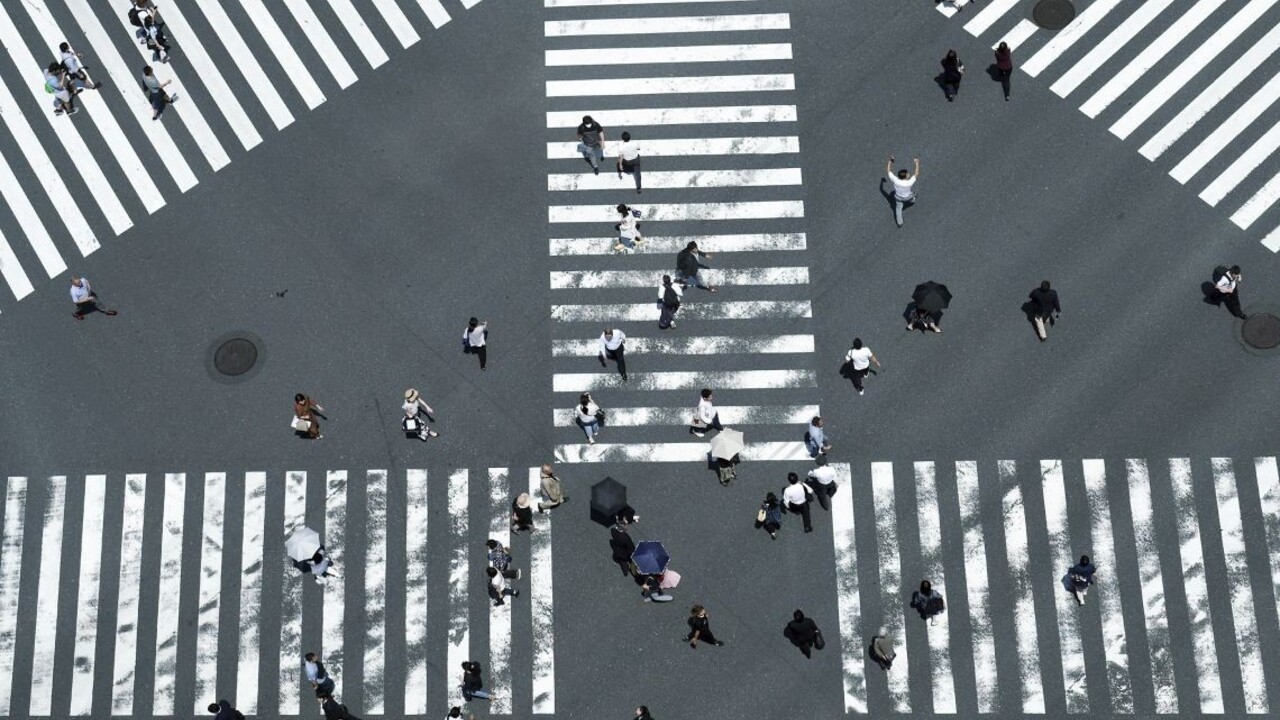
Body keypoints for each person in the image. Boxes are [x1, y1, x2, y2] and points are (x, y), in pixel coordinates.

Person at [885, 156, 920, 228]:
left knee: (898, 209)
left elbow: (888, 171)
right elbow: (916, 173)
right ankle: (912, 201)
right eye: (907, 174)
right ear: (905, 177)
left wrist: (890, 161)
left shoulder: (896, 180)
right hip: (908, 197)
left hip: (898, 198)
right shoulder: (909, 182)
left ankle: (900, 222)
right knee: (912, 197)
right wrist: (917, 163)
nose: (908, 174)